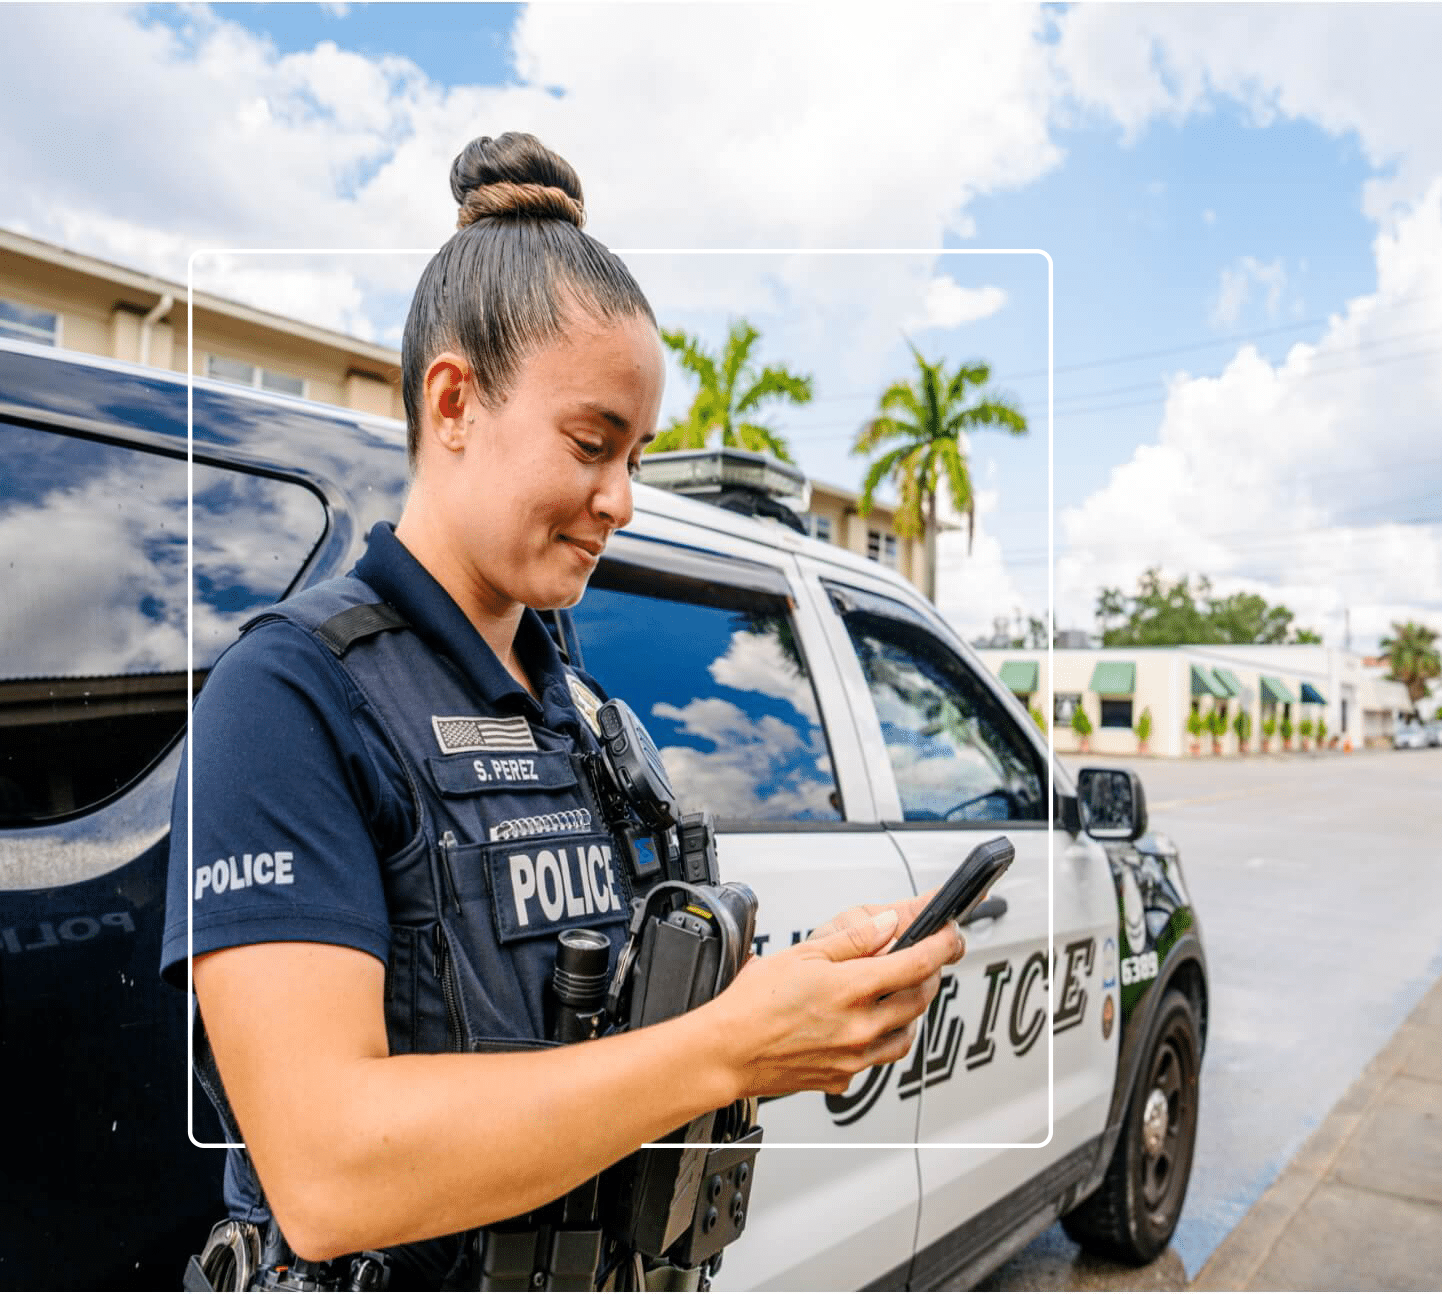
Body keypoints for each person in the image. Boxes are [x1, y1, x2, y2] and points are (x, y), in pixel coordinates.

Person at [161, 131, 965, 1291]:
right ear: (452, 401)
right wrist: (727, 1044)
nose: (622, 499)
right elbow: (328, 1172)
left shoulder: (586, 719)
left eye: (634, 454)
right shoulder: (287, 698)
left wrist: (783, 1010)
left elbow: (594, 1042)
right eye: (592, 445)